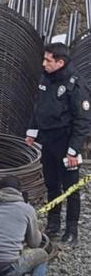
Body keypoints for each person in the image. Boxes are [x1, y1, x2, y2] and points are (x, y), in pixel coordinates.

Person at [25, 43, 90, 246]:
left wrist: (73, 150)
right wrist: (32, 132)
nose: (43, 64)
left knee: (70, 188)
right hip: (48, 140)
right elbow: (39, 107)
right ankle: (53, 224)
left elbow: (83, 120)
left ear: (60, 62)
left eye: (48, 60)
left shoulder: (75, 84)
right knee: (52, 184)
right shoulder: (46, 78)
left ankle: (71, 230)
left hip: (66, 142)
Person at [0, 175, 48, 276]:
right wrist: (37, 229)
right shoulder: (26, 209)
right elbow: (34, 243)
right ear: (19, 191)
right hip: (5, 270)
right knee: (42, 255)